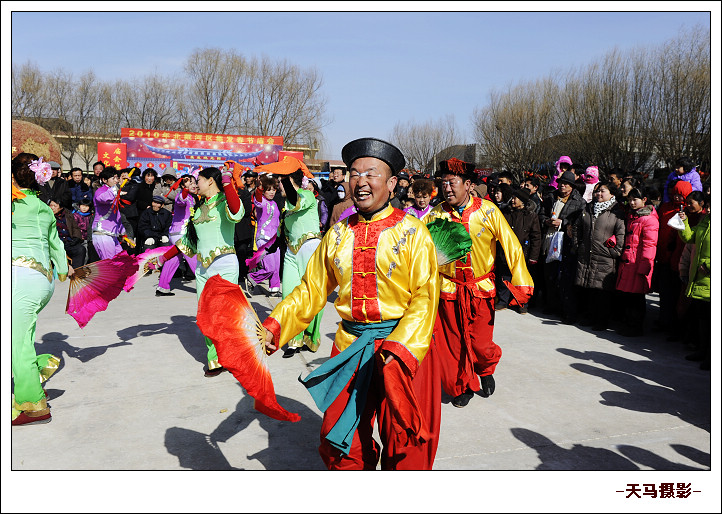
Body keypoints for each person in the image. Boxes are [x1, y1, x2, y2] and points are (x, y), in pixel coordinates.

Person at [262, 137, 441, 470]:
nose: (360, 181)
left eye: (370, 173)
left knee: (405, 443)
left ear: (391, 184)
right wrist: (276, 325)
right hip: (349, 345)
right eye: (354, 173)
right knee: (339, 438)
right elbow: (311, 288)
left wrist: (400, 350)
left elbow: (425, 299)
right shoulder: (338, 233)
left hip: (401, 350)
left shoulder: (414, 232)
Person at [425, 158, 533, 408]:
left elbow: (512, 246)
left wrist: (521, 281)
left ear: (468, 185)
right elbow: (418, 252)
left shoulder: (488, 211)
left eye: (452, 183)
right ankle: (461, 386)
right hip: (449, 290)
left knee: (481, 343)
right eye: (443, 184)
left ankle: (485, 369)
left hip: (479, 290)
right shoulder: (435, 215)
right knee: (452, 345)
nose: (447, 189)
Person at [158, 167, 244, 376]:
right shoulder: (198, 209)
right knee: (205, 316)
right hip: (203, 268)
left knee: (224, 315)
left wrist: (227, 181)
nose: (196, 184)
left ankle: (230, 355)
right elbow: (187, 242)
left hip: (224, 264)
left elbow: (237, 211)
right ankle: (215, 359)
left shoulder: (225, 202)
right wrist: (162, 258)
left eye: (200, 180)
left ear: (211, 182)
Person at [12, 153, 72, 426]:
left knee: (18, 343)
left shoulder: (13, 205)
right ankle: (40, 366)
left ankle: (33, 404)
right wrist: (62, 271)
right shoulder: (44, 207)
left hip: (20, 277)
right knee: (21, 336)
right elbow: (56, 244)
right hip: (43, 280)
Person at [277, 168, 325, 357]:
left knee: (312, 296)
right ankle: (294, 339)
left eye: (281, 182)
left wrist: (286, 180)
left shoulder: (308, 195)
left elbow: (296, 201)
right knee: (288, 294)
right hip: (291, 251)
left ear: (289, 180)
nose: (278, 186)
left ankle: (310, 336)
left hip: (310, 248)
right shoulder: (285, 204)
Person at [571, 182, 626, 330]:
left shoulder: (616, 212)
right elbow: (576, 228)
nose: (598, 194)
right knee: (589, 288)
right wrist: (578, 246)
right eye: (597, 191)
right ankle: (590, 317)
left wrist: (613, 252)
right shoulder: (588, 208)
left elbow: (621, 235)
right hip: (587, 255)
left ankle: (601, 321)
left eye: (602, 191)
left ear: (612, 194)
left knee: (603, 291)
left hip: (605, 257)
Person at [539, 169, 586, 322]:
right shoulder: (551, 197)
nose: (563, 186)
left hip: (566, 242)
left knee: (565, 279)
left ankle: (567, 310)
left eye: (566, 184)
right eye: (561, 183)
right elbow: (541, 214)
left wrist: (564, 223)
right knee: (549, 276)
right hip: (549, 239)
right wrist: (546, 221)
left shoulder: (579, 202)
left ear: (572, 186)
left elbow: (579, 223)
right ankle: (552, 305)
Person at [615, 186, 659, 337]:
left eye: (635, 199)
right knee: (628, 296)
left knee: (637, 298)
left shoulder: (649, 220)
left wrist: (645, 266)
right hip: (628, 262)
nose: (632, 203)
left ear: (644, 200)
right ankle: (628, 323)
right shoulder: (633, 216)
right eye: (630, 200)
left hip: (638, 264)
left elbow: (649, 245)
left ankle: (636, 326)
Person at [676, 205, 710, 370]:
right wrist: (684, 222)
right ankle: (702, 351)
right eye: (709, 206)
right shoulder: (705, 223)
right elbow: (689, 237)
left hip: (710, 278)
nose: (709, 210)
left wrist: (710, 265)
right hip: (699, 278)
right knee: (702, 317)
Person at [497, 186, 541, 314]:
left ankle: (521, 302)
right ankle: (503, 301)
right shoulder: (506, 213)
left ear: (523, 201)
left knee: (521, 278)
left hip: (523, 253)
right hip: (505, 251)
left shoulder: (531, 216)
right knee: (504, 276)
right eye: (512, 197)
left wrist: (534, 256)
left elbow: (536, 237)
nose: (512, 200)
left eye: (516, 198)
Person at [157, 176, 199, 296]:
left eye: (194, 183)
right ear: (183, 186)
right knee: (196, 261)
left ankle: (162, 287)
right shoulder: (182, 196)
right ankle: (207, 287)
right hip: (181, 234)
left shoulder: (192, 198)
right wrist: (185, 189)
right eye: (189, 183)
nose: (193, 185)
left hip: (177, 233)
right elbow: (181, 200)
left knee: (173, 260)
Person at [246, 174, 282, 297]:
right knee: (270, 267)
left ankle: (274, 289)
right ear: (263, 191)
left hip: (274, 239)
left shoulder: (275, 204)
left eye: (273, 189)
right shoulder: (261, 202)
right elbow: (257, 198)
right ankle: (252, 278)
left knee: (276, 267)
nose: (272, 192)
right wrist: (259, 188)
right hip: (263, 239)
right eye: (268, 190)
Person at [92, 167, 126, 260]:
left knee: (122, 260)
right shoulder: (100, 191)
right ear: (104, 180)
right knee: (110, 264)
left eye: (117, 177)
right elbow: (103, 198)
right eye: (113, 178)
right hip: (102, 233)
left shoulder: (113, 192)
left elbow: (116, 214)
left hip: (112, 234)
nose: (116, 180)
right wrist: (118, 186)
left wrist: (122, 232)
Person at [48, 199, 86, 269]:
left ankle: (76, 271)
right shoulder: (47, 216)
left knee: (80, 249)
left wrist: (76, 239)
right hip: (56, 243)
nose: (52, 208)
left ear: (61, 207)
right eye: (50, 205)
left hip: (69, 242)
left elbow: (75, 228)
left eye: (55, 206)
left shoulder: (68, 215)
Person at [73, 198, 93, 265]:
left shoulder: (90, 216)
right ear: (79, 206)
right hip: (78, 238)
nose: (84, 208)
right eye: (82, 205)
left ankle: (83, 268)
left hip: (87, 238)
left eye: (87, 206)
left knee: (86, 255)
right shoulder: (75, 215)